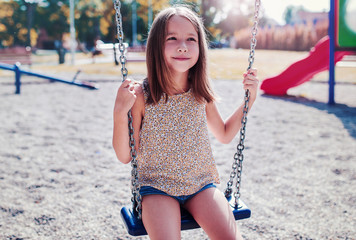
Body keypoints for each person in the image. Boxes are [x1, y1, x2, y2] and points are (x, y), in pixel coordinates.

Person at [113, 5, 259, 240]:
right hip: (157, 188)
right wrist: (119, 114)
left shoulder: (199, 91)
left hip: (201, 185)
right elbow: (125, 155)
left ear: (200, 47)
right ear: (156, 46)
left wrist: (248, 102)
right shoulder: (142, 95)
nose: (183, 45)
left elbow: (223, 134)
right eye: (172, 38)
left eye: (191, 39)